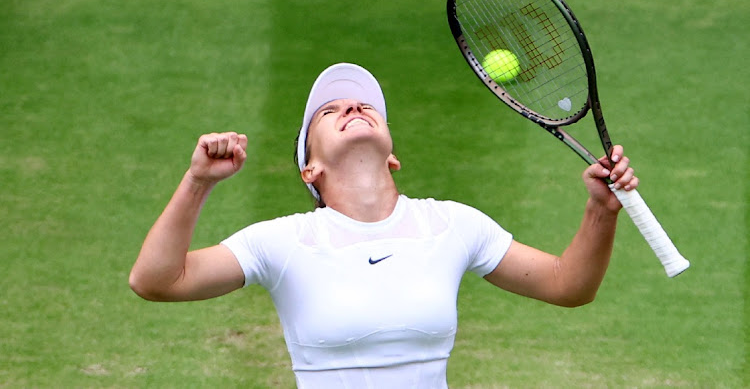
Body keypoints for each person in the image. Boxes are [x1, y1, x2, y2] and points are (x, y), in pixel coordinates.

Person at [129, 63, 639, 388]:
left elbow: (568, 285)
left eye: (365, 105)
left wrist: (600, 210)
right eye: (329, 111)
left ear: (393, 156)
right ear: (311, 170)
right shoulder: (282, 242)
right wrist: (198, 182)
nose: (352, 106)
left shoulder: (452, 225)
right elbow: (155, 281)